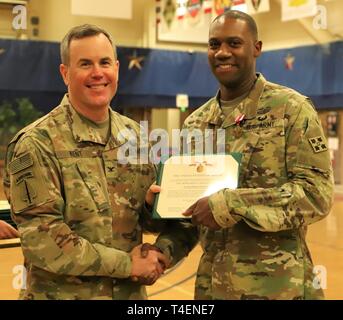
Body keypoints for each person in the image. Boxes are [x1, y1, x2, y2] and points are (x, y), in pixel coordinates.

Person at [3, 24, 197, 300]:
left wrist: (157, 238)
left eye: (104, 62)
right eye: (85, 64)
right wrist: (128, 264)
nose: (98, 73)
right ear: (65, 73)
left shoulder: (137, 139)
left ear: (116, 68)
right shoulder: (36, 144)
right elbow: (44, 241)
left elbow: (152, 221)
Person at [180, 11, 334, 299]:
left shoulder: (291, 110)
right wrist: (161, 237)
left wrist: (232, 203)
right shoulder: (196, 124)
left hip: (280, 288)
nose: (222, 53)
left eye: (234, 43)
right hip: (212, 289)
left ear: (257, 47)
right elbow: (191, 214)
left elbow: (317, 195)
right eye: (214, 44)